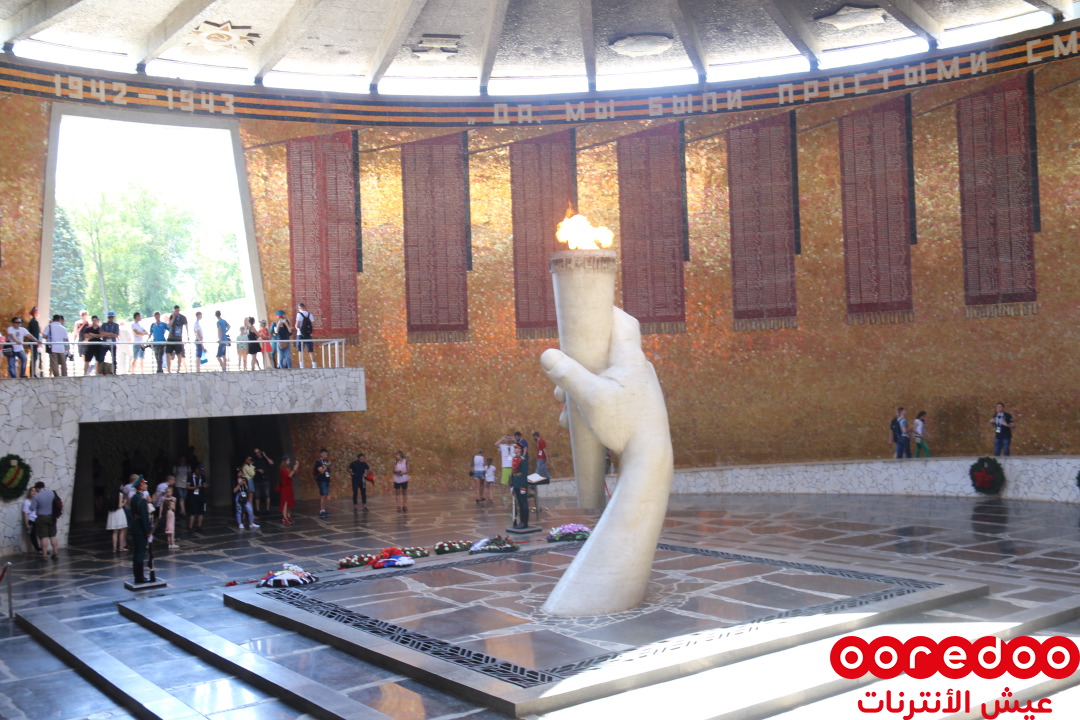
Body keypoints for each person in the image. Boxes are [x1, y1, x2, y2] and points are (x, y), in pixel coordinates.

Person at [128, 476, 153, 583]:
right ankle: (140, 577)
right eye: (145, 484)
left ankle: (137, 576)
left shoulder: (134, 497)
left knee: (136, 552)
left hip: (135, 526)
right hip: (140, 528)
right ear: (141, 485)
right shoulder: (141, 500)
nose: (146, 485)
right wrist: (148, 532)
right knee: (140, 553)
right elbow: (144, 518)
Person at [31, 481, 59, 559]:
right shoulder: (51, 493)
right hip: (52, 517)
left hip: (41, 518)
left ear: (37, 488)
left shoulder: (36, 496)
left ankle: (44, 555)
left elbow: (32, 508)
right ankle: (56, 552)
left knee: (43, 537)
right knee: (53, 535)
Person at [510, 444, 530, 529]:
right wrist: (512, 483)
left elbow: (524, 474)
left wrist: (523, 487)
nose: (514, 449)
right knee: (519, 503)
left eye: (516, 448)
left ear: (519, 449)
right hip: (516, 483)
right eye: (514, 448)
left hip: (521, 483)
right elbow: (513, 472)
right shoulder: (515, 458)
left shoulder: (523, 460)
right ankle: (521, 521)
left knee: (523, 503)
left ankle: (524, 522)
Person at [106, 482, 128, 553]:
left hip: (112, 513)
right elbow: (120, 506)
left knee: (115, 532)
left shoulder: (111, 494)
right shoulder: (120, 494)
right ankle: (121, 547)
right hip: (119, 513)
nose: (122, 486)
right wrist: (125, 502)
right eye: (122, 485)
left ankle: (114, 548)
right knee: (122, 530)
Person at [252, 447, 275, 514]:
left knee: (267, 495)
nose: (257, 454)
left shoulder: (264, 459)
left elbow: (272, 463)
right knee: (257, 496)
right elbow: (250, 468)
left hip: (265, 479)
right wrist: (257, 470)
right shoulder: (254, 460)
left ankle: (267, 509)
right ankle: (257, 510)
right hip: (257, 479)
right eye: (255, 453)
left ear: (260, 452)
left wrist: (265, 456)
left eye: (258, 452)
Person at [166, 305, 188, 373]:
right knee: (168, 353)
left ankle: (178, 369)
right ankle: (169, 370)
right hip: (171, 337)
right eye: (176, 311)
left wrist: (187, 336)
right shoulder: (171, 316)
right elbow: (169, 325)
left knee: (179, 354)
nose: (177, 312)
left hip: (178, 338)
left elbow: (186, 326)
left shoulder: (183, 317)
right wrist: (173, 317)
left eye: (178, 310)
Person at [187, 465, 207, 532]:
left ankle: (199, 526)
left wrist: (204, 486)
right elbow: (187, 486)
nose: (200, 472)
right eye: (199, 471)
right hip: (193, 497)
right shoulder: (190, 477)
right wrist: (195, 487)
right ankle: (190, 527)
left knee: (201, 512)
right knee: (193, 512)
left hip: (201, 496)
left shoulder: (203, 477)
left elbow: (205, 485)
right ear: (196, 470)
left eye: (201, 471)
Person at [279, 455, 298, 524]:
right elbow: (289, 476)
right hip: (285, 487)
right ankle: (284, 518)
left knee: (289, 502)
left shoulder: (288, 468)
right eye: (288, 460)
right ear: (284, 461)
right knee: (285, 502)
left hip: (289, 487)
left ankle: (288, 516)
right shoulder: (283, 469)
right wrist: (294, 469)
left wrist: (295, 469)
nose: (289, 462)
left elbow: (293, 475)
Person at [295, 302, 315, 368]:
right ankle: (314, 365)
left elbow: (297, 325)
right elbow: (313, 325)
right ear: (305, 307)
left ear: (299, 308)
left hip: (300, 334)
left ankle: (301, 366)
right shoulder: (310, 314)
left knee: (300, 350)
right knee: (311, 350)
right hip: (308, 334)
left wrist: (300, 329)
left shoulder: (299, 314)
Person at [22, 486, 40, 555]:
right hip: (31, 520)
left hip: (38, 519)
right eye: (32, 491)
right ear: (29, 492)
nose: (34, 492)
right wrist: (27, 524)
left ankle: (42, 548)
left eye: (35, 491)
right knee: (33, 536)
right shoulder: (26, 502)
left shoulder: (37, 500)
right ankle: (38, 549)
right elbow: (26, 513)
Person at [314, 448, 332, 517]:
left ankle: (324, 510)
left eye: (326, 454)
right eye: (324, 454)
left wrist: (330, 465)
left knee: (326, 495)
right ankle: (321, 510)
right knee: (323, 495)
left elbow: (329, 470)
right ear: (321, 454)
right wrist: (326, 465)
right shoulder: (318, 462)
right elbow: (321, 471)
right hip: (322, 480)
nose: (325, 456)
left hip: (327, 479)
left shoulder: (326, 461)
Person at [26, 306, 42, 377]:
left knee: (34, 358)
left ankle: (32, 373)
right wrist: (37, 343)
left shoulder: (32, 322)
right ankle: (32, 373)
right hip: (34, 343)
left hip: (34, 343)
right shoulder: (34, 322)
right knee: (34, 358)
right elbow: (35, 334)